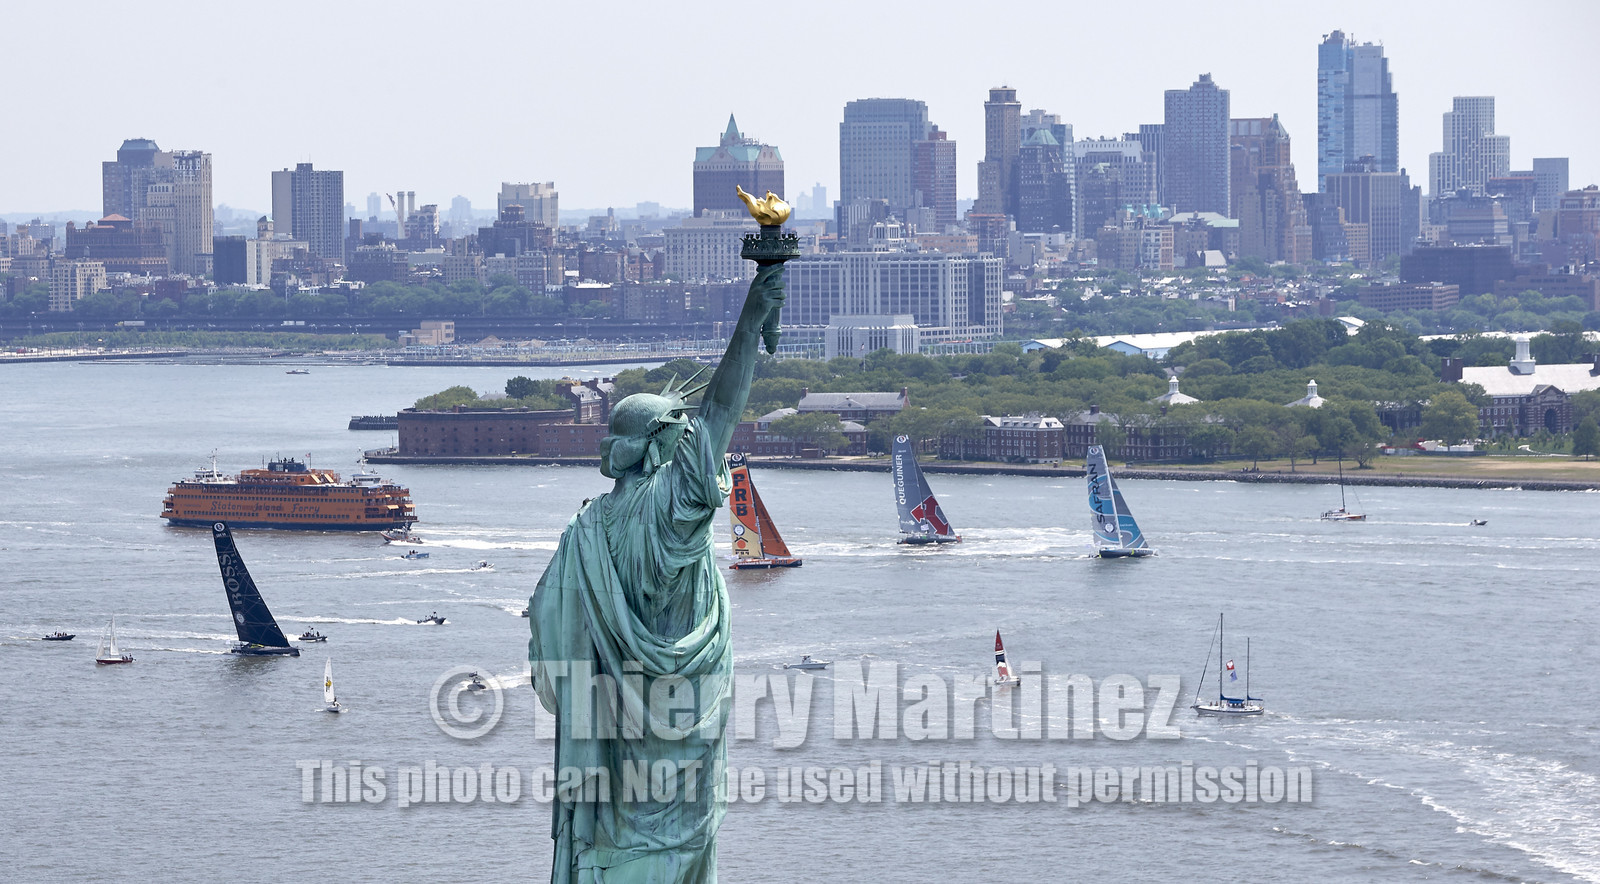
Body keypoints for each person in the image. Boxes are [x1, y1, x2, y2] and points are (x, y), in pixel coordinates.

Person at [529, 261, 787, 883]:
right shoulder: (669, 514)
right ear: (653, 448)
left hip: (612, 758)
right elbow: (722, 409)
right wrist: (752, 317)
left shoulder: (583, 531)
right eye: (677, 432)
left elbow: (548, 640)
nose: (689, 439)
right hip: (681, 748)